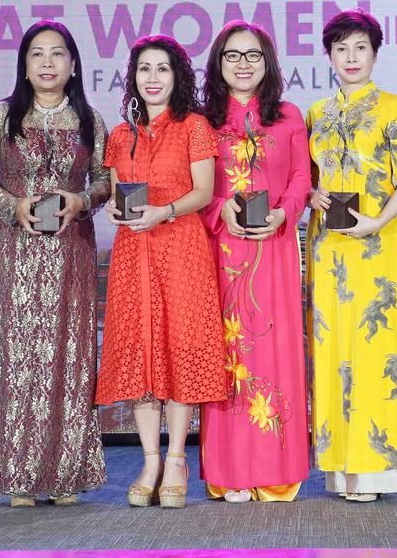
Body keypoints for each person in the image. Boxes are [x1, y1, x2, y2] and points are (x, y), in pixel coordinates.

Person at [0, 20, 108, 506]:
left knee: (67, 355)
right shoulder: (2, 115)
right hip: (13, 251)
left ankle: (63, 474)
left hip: (70, 252)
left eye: (57, 53)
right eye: (37, 54)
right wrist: (13, 204)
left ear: (73, 65)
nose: (48, 63)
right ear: (24, 65)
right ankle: (16, 474)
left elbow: (105, 181)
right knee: (15, 355)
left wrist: (80, 200)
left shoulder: (89, 120)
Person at [96, 34, 226, 509]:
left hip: (182, 249)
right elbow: (118, 194)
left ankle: (175, 460)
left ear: (178, 76)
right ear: (133, 77)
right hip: (134, 254)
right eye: (144, 69)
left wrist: (164, 211)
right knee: (141, 353)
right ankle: (149, 461)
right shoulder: (120, 134)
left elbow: (204, 192)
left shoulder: (194, 125)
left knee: (179, 349)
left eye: (162, 69)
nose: (152, 78)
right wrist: (118, 211)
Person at [305, 9, 397, 503]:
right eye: (341, 49)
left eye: (360, 48)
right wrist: (310, 194)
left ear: (375, 54)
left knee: (375, 349)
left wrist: (377, 221)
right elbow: (309, 178)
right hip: (328, 247)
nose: (351, 58)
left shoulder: (393, 107)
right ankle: (339, 469)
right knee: (333, 350)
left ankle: (374, 469)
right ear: (329, 56)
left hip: (377, 242)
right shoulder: (316, 112)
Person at [197, 21, 311, 503]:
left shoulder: (287, 115)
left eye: (253, 55)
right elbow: (193, 185)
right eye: (232, 55)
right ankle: (230, 472)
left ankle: (275, 471)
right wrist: (219, 206)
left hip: (275, 249)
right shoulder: (202, 121)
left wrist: (284, 213)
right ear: (218, 64)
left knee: (274, 350)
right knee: (228, 356)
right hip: (222, 250)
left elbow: (302, 177)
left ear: (268, 62)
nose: (242, 64)